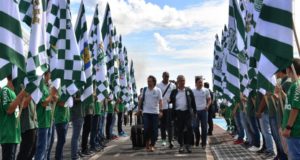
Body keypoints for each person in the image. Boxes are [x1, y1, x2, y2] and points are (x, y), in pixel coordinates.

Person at [0, 75, 27, 160]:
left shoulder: (13, 92)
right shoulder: (5, 90)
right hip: (8, 136)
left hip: (14, 135)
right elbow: (9, 109)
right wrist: (21, 94)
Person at [170, 75, 196, 153]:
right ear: (177, 82)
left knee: (189, 127)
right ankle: (181, 145)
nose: (182, 82)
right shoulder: (174, 91)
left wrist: (195, 111)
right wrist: (169, 100)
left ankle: (188, 145)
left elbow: (193, 101)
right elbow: (171, 100)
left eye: (183, 80)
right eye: (181, 81)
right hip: (178, 113)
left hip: (188, 112)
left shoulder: (188, 90)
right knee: (180, 130)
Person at [138, 75, 163, 152]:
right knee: (146, 129)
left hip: (155, 113)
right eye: (148, 81)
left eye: (150, 81)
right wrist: (139, 109)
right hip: (146, 112)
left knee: (154, 130)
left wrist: (161, 111)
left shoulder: (158, 90)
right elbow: (141, 100)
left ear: (154, 82)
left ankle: (152, 145)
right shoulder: (145, 90)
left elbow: (160, 101)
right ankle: (147, 143)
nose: (148, 83)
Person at [35, 71, 56, 160]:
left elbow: (51, 99)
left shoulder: (47, 87)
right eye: (49, 74)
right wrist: (51, 95)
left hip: (49, 120)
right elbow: (43, 103)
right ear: (45, 75)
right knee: (41, 148)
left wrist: (53, 96)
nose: (50, 77)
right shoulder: (41, 87)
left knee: (46, 147)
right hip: (42, 121)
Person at [282, 58, 300, 159]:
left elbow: (295, 108)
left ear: (290, 69)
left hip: (295, 131)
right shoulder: (294, 85)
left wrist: (288, 128)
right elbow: (291, 104)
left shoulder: (297, 85)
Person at [157, 71, 176, 148]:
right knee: (162, 125)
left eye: (167, 76)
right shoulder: (158, 85)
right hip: (161, 108)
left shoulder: (172, 85)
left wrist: (172, 100)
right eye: (165, 76)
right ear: (162, 76)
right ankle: (164, 140)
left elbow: (175, 95)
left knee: (170, 125)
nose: (166, 77)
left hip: (170, 108)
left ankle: (170, 141)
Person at [192, 76, 211, 148]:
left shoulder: (206, 90)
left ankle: (203, 143)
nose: (201, 83)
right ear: (196, 83)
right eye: (199, 82)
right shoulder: (192, 91)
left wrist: (207, 106)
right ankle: (197, 138)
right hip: (196, 111)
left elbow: (209, 99)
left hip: (204, 111)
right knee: (195, 127)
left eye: (201, 82)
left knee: (204, 127)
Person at [54, 91, 70, 160]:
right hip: (60, 119)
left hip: (65, 118)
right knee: (61, 140)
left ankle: (60, 157)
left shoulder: (65, 89)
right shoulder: (57, 87)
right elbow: (61, 103)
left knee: (62, 141)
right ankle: (58, 158)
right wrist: (66, 100)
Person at [70, 91, 85, 160]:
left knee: (78, 135)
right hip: (76, 114)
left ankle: (77, 152)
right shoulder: (74, 87)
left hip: (81, 113)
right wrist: (83, 97)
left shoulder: (79, 87)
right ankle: (74, 156)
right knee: (76, 136)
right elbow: (71, 99)